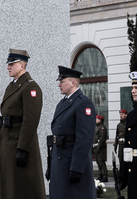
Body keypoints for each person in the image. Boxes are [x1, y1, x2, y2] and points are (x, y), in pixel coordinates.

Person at [0, 49, 46, 199]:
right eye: (8, 64)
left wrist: (23, 149)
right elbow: (5, 119)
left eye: (12, 64)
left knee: (22, 189)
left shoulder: (31, 87)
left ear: (23, 65)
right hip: (8, 145)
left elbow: (30, 121)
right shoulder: (11, 87)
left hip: (20, 145)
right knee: (9, 189)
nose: (8, 67)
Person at [47, 66, 95, 199]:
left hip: (71, 162)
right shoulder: (62, 104)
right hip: (59, 161)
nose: (59, 85)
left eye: (62, 81)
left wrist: (77, 167)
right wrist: (51, 165)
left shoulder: (83, 103)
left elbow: (84, 138)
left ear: (73, 83)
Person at [93, 114, 108, 183]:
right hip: (96, 147)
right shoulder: (97, 127)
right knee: (98, 162)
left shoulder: (102, 128)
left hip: (100, 147)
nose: (95, 120)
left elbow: (101, 139)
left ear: (100, 120)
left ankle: (105, 176)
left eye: (96, 119)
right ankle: (100, 175)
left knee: (101, 162)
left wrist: (98, 147)